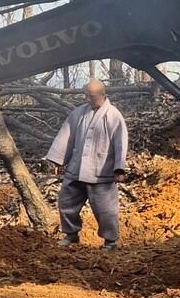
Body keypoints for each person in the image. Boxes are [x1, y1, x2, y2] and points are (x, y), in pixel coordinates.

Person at [47, 78, 129, 247]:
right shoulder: (78, 113)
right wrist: (58, 160)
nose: (88, 99)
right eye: (86, 96)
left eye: (91, 96)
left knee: (106, 210)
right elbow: (66, 137)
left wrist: (119, 169)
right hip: (76, 169)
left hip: (101, 171)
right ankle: (71, 235)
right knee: (67, 202)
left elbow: (121, 143)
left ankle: (110, 241)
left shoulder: (113, 115)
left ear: (103, 95)